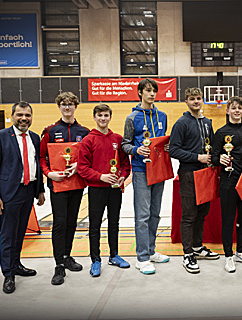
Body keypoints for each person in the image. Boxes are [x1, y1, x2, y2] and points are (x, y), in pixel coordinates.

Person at [0, 101, 45, 294]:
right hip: (8, 194)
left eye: (27, 115)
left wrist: (40, 190)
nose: (23, 118)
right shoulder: (0, 136)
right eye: (20, 115)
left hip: (28, 192)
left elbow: (36, 165)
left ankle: (16, 264)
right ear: (12, 116)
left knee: (20, 233)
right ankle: (8, 274)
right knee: (8, 235)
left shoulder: (35, 138)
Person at [40, 92, 90, 285]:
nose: (67, 107)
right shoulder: (50, 131)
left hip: (76, 185)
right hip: (57, 184)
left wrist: (78, 166)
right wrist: (48, 173)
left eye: (70, 104)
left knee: (71, 222)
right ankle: (58, 265)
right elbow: (42, 157)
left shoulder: (84, 132)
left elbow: (87, 158)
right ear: (59, 107)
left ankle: (67, 256)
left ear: (75, 106)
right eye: (63, 104)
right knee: (59, 223)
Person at [122, 78, 170, 275]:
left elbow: (161, 141)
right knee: (142, 215)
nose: (151, 94)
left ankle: (150, 250)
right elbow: (125, 144)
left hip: (158, 170)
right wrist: (136, 149)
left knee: (155, 213)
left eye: (154, 91)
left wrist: (167, 147)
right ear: (140, 93)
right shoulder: (132, 118)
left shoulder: (163, 116)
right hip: (141, 171)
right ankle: (141, 258)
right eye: (148, 91)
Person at [169, 87, 219, 274]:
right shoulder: (181, 123)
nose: (196, 101)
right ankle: (187, 254)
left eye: (198, 98)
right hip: (189, 174)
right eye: (192, 98)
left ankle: (198, 247)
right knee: (189, 215)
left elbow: (212, 146)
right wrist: (198, 157)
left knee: (202, 212)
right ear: (186, 102)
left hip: (206, 173)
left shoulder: (207, 122)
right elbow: (173, 150)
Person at [78, 104, 131, 277]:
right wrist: (101, 177)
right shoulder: (88, 140)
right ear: (94, 117)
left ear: (110, 117)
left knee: (114, 223)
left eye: (106, 115)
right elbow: (82, 168)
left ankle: (114, 255)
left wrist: (123, 176)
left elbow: (125, 164)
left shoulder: (117, 138)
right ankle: (96, 260)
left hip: (115, 188)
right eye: (99, 115)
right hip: (96, 189)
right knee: (95, 225)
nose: (103, 118)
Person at [211, 96, 242, 273]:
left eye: (240, 108)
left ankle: (241, 252)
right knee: (229, 219)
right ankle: (228, 256)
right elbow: (214, 157)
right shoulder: (221, 132)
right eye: (234, 108)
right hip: (228, 181)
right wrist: (220, 159)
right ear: (228, 110)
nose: (237, 111)